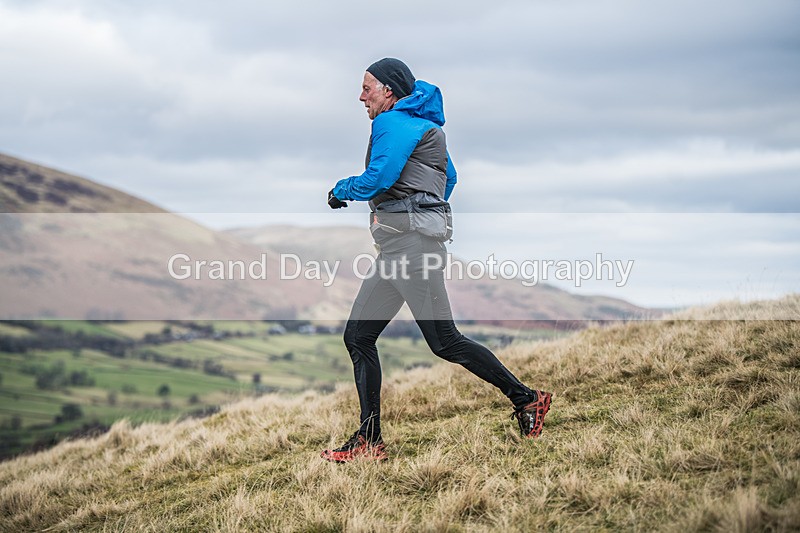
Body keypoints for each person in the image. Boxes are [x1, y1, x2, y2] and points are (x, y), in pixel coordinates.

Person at [321, 58, 551, 463]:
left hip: (411, 250)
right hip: (400, 249)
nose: (361, 96)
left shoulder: (390, 123)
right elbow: (451, 178)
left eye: (367, 88)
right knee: (358, 336)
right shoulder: (428, 128)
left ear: (388, 91)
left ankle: (526, 398)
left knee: (445, 341)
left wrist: (341, 190)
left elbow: (378, 179)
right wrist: (422, 210)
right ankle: (369, 440)